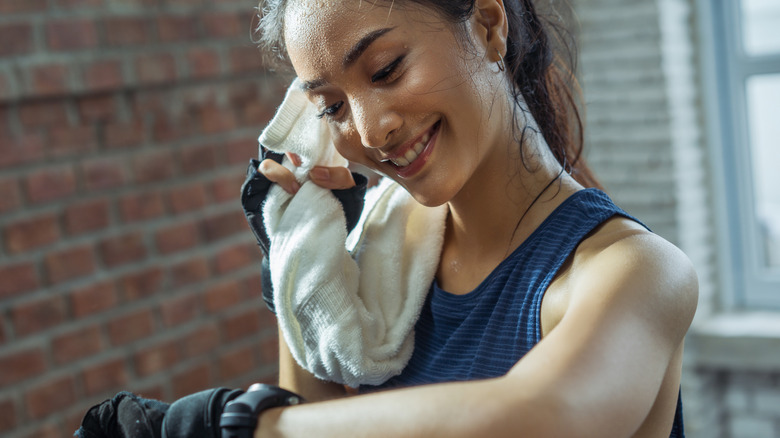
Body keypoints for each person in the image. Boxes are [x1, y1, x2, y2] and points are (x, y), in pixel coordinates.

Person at [246, 0, 699, 437]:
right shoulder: (383, 261)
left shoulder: (635, 271)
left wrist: (247, 425)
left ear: (486, 24)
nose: (369, 131)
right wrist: (299, 254)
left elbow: (547, 416)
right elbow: (321, 421)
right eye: (332, 107)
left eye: (386, 69)